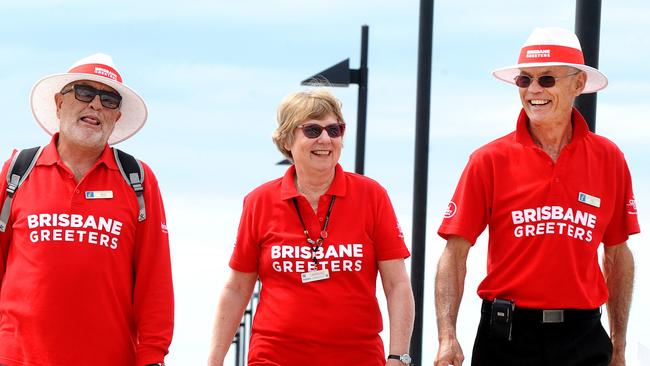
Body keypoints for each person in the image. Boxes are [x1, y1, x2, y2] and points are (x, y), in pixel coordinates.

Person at [434, 27, 639, 366]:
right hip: (506, 337)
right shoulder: (489, 160)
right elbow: (454, 254)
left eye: (546, 79)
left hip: (584, 336)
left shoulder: (609, 158)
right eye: (524, 80)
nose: (533, 90)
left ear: (577, 85)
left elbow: (618, 254)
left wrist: (619, 346)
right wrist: (446, 336)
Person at [208, 89, 415, 366]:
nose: (326, 139)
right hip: (273, 358)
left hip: (357, 358)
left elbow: (397, 284)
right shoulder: (259, 202)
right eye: (313, 129)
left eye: (334, 129)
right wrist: (214, 361)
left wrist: (398, 356)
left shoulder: (372, 196)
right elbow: (236, 289)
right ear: (287, 139)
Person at [0, 53, 174, 366]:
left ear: (117, 117)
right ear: (59, 103)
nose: (95, 104)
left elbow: (155, 280)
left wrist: (152, 356)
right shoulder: (17, 172)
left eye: (109, 99)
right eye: (83, 92)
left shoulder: (138, 180)